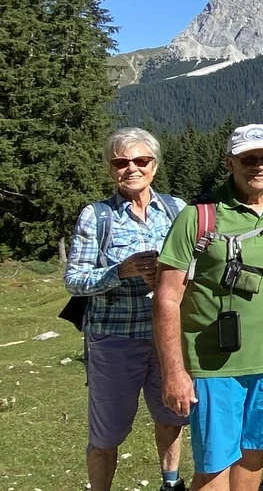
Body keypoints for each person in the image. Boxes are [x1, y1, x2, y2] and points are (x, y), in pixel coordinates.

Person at [155, 124, 263, 491]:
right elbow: (167, 298)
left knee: (254, 454)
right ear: (230, 162)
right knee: (213, 465)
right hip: (215, 367)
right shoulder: (197, 218)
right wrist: (174, 372)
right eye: (249, 159)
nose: (259, 166)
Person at [64, 128, 189, 491]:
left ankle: (171, 483)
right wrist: (121, 271)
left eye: (141, 160)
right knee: (107, 431)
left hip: (167, 335)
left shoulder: (176, 209)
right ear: (110, 168)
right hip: (113, 338)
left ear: (155, 165)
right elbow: (74, 280)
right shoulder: (96, 215)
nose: (131, 168)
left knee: (171, 417)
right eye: (121, 162)